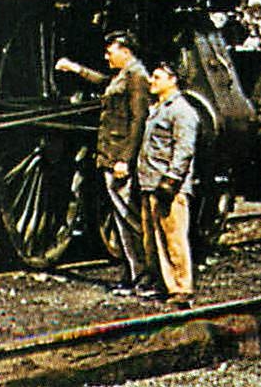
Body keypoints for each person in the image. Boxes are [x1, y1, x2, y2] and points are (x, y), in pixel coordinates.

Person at [56, 31, 151, 295]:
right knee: (122, 219)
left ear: (126, 51)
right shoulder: (123, 75)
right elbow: (102, 82)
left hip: (119, 158)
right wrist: (75, 68)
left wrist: (126, 160)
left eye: (111, 52)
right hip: (110, 157)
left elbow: (138, 121)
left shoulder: (138, 77)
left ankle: (144, 277)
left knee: (130, 218)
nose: (106, 56)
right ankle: (132, 274)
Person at [136, 61, 200, 305]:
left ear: (173, 80)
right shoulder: (158, 109)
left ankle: (182, 288)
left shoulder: (182, 111)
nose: (151, 81)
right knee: (154, 240)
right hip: (150, 182)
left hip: (168, 187)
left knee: (174, 238)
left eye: (157, 77)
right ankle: (164, 285)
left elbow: (184, 150)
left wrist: (171, 180)